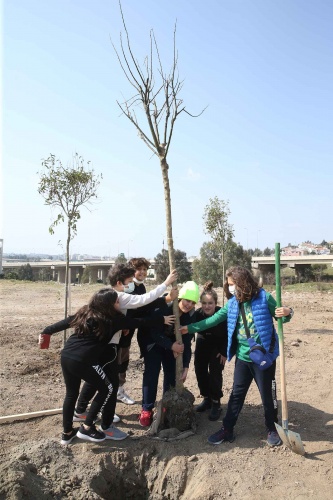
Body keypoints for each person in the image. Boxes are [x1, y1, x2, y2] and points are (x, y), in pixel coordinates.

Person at [38, 288, 175, 445]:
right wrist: (161, 320)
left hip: (67, 355)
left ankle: (67, 433)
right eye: (116, 301)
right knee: (108, 388)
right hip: (83, 360)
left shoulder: (85, 312)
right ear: (108, 305)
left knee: (71, 394)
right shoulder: (113, 320)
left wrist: (46, 332)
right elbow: (139, 322)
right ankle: (87, 427)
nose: (119, 303)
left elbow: (63, 323)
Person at [180, 266, 294, 447]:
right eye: (229, 284)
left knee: (267, 396)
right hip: (243, 358)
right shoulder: (233, 303)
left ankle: (272, 428)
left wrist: (287, 312)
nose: (229, 287)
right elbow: (213, 320)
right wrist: (190, 328)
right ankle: (227, 429)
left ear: (242, 282)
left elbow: (282, 315)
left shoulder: (264, 298)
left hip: (263, 358)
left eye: (232, 284)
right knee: (236, 395)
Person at [73, 265, 178, 432]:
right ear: (119, 282)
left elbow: (138, 310)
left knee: (99, 380)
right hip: (108, 347)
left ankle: (81, 411)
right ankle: (102, 419)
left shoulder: (105, 295)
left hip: (108, 344)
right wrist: (165, 283)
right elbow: (143, 302)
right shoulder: (119, 296)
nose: (131, 284)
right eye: (129, 281)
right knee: (109, 384)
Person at [138, 281, 200, 427]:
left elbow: (186, 341)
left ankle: (166, 404)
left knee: (171, 373)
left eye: (192, 302)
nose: (189, 305)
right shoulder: (163, 307)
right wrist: (171, 345)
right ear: (180, 298)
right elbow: (153, 332)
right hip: (152, 343)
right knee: (151, 373)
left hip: (171, 345)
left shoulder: (190, 315)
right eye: (186, 300)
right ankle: (147, 409)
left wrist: (185, 366)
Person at [116, 257, 152, 405]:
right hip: (120, 330)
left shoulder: (141, 287)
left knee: (123, 360)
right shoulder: (128, 287)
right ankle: (112, 394)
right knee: (116, 361)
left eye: (144, 269)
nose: (142, 272)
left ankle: (119, 389)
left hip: (128, 331)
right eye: (139, 269)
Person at [194, 281, 228, 421]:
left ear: (215, 303)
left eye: (210, 303)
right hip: (203, 343)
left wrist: (225, 352)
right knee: (199, 371)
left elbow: (229, 334)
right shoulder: (198, 314)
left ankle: (216, 402)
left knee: (215, 373)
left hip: (218, 346)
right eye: (204, 303)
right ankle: (207, 398)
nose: (207, 306)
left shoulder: (222, 314)